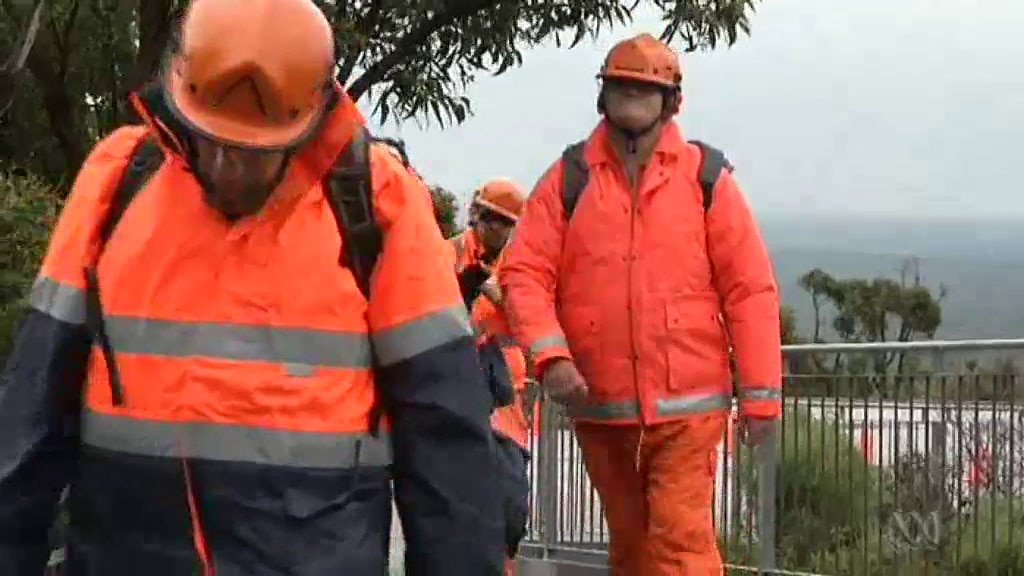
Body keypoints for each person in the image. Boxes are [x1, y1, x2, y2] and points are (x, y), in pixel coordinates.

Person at [0, 0, 505, 574]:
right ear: (179, 103)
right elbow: (30, 418)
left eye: (253, 152)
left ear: (312, 120)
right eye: (211, 139)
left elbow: (446, 439)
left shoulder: (378, 200)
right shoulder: (116, 180)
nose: (228, 166)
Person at [499, 33, 782, 575]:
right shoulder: (569, 179)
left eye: (644, 89)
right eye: (621, 88)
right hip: (602, 408)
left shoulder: (706, 180)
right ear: (603, 97)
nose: (632, 99)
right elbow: (525, 273)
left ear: (671, 101)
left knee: (679, 547)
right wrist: (552, 357)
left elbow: (749, 289)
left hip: (688, 409)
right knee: (631, 550)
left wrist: (761, 399)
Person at [444, 180, 533, 576]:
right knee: (457, 507)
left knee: (512, 507)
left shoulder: (520, 270)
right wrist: (461, 291)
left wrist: (503, 297)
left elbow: (536, 325)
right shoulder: (446, 255)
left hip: (505, 406)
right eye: (493, 220)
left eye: (506, 223)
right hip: (454, 398)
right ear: (477, 215)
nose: (498, 230)